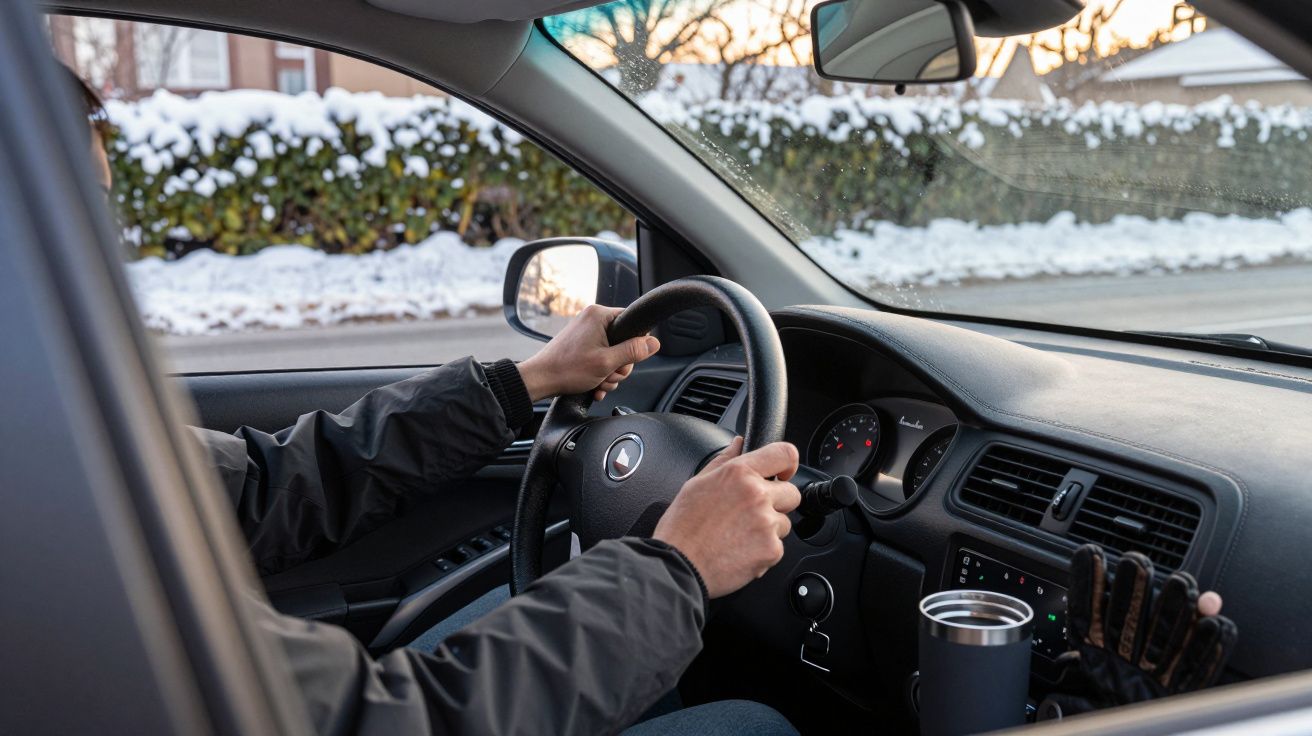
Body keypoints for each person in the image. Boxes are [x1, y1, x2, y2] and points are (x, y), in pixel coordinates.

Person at [64, 65, 801, 735]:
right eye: (73, 206)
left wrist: (527, 382)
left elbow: (272, 485)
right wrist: (678, 566)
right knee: (755, 726)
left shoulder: (45, 455)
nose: (102, 247)